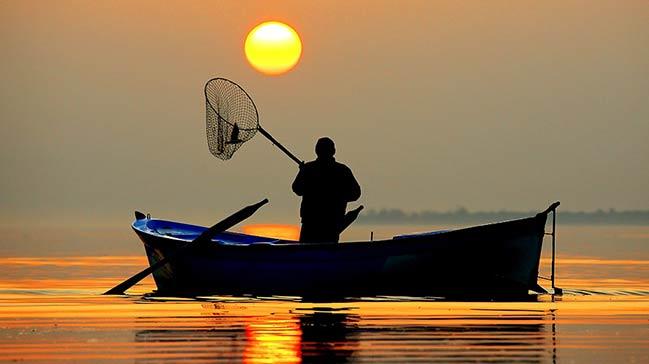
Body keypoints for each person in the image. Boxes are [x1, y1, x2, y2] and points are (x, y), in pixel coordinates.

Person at [292, 137, 361, 243]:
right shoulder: (342, 170)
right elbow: (356, 194)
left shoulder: (309, 169)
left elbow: (297, 189)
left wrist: (302, 172)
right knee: (328, 254)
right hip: (324, 223)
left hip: (318, 223)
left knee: (306, 255)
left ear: (316, 151)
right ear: (333, 151)